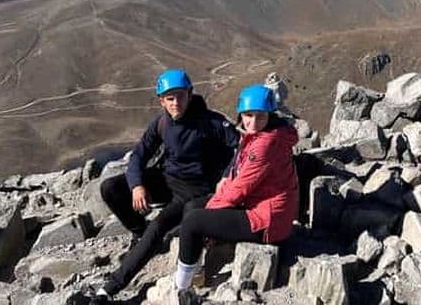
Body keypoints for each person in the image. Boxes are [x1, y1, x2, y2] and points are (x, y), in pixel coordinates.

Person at [91, 69, 239, 304]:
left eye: (180, 96)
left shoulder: (210, 121)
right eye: (169, 98)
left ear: (190, 94)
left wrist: (226, 177)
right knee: (111, 187)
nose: (175, 103)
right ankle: (140, 232)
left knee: (158, 226)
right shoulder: (162, 123)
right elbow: (139, 155)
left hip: (194, 190)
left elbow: (240, 148)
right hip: (167, 179)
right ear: (161, 101)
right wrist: (137, 184)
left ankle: (109, 289)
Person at [173, 84, 299, 303]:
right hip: (261, 204)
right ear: (241, 114)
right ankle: (198, 270)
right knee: (193, 207)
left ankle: (180, 289)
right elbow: (240, 175)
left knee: (194, 221)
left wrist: (210, 215)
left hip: (267, 220)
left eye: (260, 116)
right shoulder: (264, 133)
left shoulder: (266, 143)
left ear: (270, 114)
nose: (253, 122)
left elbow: (241, 188)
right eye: (248, 115)